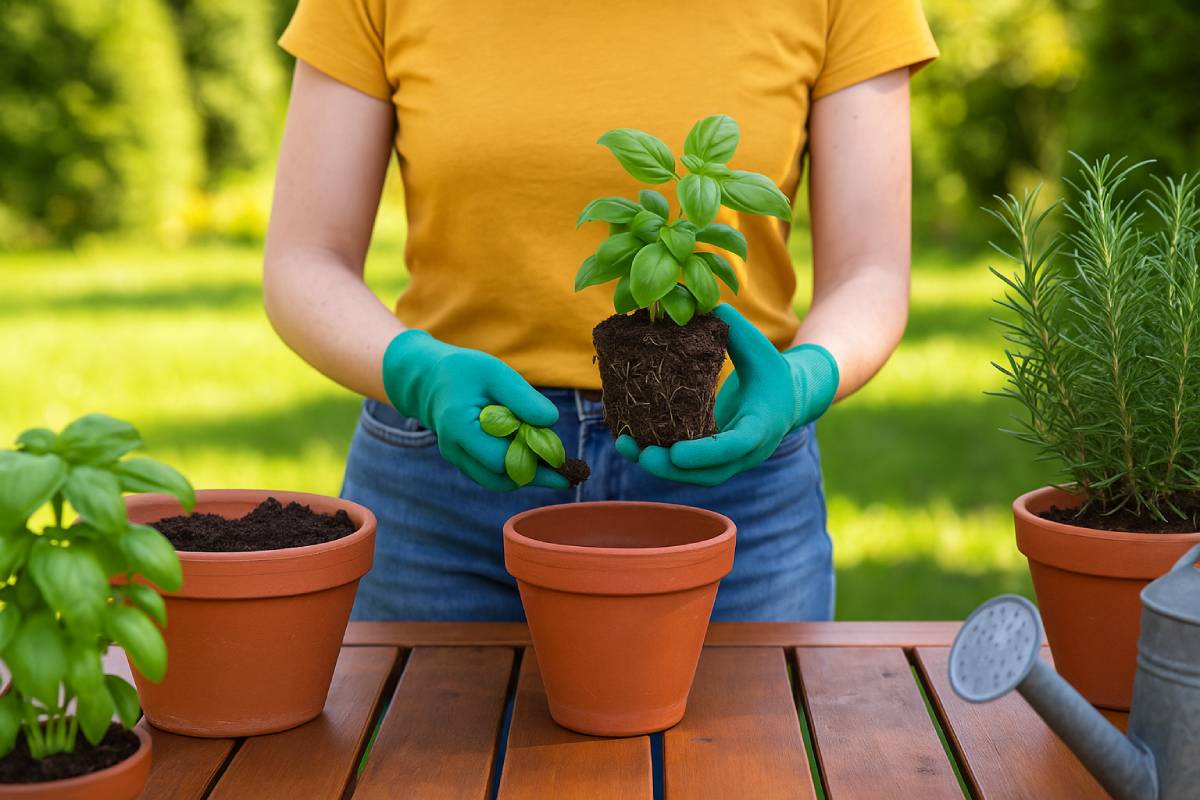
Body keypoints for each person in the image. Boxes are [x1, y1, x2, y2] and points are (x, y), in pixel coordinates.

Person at [264, 1, 938, 621]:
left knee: (743, 755)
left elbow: (871, 274)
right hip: (445, 482)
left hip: (733, 473)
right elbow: (304, 259)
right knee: (429, 753)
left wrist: (804, 380)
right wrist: (416, 372)